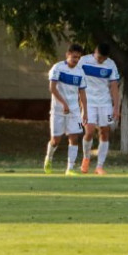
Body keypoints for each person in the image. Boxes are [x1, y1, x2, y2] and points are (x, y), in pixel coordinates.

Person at [44, 43, 88, 176]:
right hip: (58, 110)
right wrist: (63, 104)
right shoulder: (58, 68)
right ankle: (49, 159)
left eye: (78, 58)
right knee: (55, 140)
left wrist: (84, 111)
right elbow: (52, 88)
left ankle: (70, 168)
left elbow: (82, 93)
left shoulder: (80, 72)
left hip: (74, 111)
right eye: (74, 57)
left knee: (74, 137)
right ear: (68, 54)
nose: (76, 60)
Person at [78, 43, 121, 175]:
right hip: (89, 102)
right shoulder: (84, 61)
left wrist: (116, 107)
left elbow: (114, 87)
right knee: (89, 131)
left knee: (105, 131)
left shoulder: (111, 64)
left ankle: (99, 166)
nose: (101, 60)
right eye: (99, 57)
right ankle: (86, 158)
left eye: (103, 58)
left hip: (105, 103)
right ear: (95, 51)